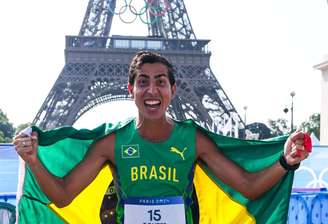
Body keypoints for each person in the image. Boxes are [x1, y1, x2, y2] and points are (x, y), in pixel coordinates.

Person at [13, 51, 309, 224]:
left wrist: (286, 161)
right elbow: (63, 196)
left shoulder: (193, 139)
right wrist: (34, 161)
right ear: (131, 90)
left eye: (160, 82)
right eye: (143, 82)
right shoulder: (112, 143)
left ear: (173, 90)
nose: (152, 90)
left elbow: (248, 186)